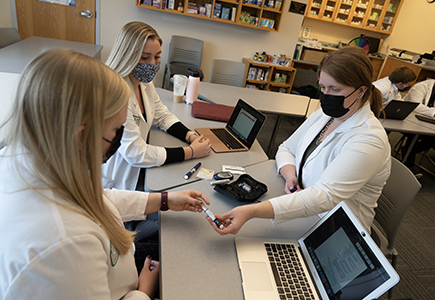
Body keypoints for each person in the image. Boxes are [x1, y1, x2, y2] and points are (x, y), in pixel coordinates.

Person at [0, 48, 210, 299]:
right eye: (115, 129)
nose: (118, 138)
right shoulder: (62, 245)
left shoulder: (31, 158)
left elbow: (95, 197)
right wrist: (143, 291)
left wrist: (164, 200)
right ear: (81, 134)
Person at [206, 47, 391, 235]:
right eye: (323, 87)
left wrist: (251, 211)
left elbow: (324, 197)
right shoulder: (325, 115)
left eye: (335, 89)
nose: (326, 95)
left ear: (360, 91)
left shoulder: (368, 139)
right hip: (305, 210)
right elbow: (286, 148)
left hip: (335, 228)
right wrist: (290, 176)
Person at [102, 21, 211, 192]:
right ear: (126, 56)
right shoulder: (114, 92)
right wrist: (190, 152)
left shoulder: (143, 82)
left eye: (157, 56)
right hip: (116, 181)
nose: (152, 64)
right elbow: (135, 153)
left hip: (139, 171)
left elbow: (161, 115)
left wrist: (190, 136)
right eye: (145, 58)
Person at [401, 69, 435, 176]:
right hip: (408, 120)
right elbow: (416, 106)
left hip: (426, 122)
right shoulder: (421, 87)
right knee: (415, 133)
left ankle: (408, 151)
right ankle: (409, 166)